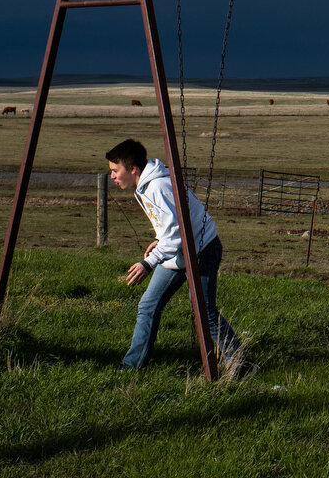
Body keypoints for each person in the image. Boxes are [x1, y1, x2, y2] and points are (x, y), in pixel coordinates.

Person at [104, 138, 243, 371]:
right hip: (177, 253)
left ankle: (240, 363)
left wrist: (147, 263)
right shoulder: (148, 185)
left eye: (115, 171)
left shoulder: (158, 186)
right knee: (148, 305)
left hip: (202, 250)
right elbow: (173, 225)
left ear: (133, 169)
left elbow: (178, 233)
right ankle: (132, 367)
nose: (112, 177)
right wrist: (159, 239)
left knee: (204, 311)